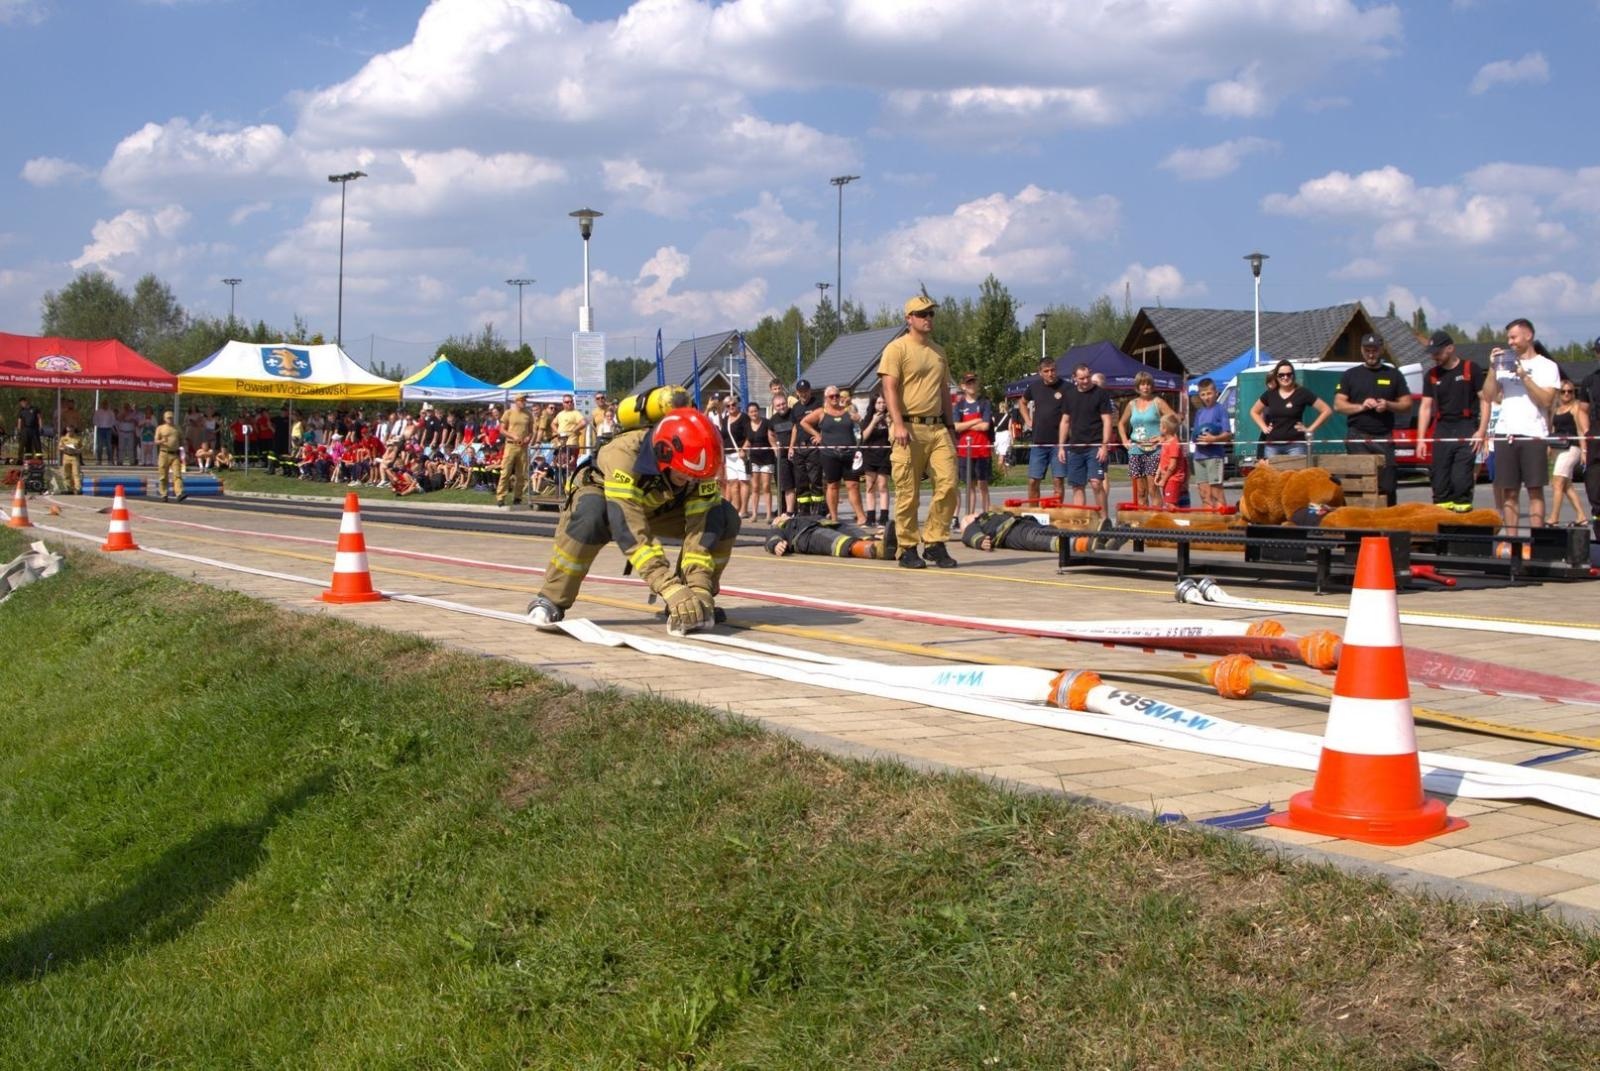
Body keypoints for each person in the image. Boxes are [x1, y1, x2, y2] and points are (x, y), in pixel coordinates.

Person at [526, 408, 741, 634]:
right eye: (685, 473)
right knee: (589, 517)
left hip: (659, 505)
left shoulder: (698, 469)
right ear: (664, 452)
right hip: (607, 498)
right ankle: (551, 600)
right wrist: (668, 587)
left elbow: (702, 529)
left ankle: (688, 606)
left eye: (697, 476)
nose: (691, 480)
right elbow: (628, 526)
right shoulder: (624, 455)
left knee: (723, 516)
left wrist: (699, 589)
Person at [878, 294, 958, 569]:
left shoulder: (939, 351)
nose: (928, 318)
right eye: (922, 314)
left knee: (948, 485)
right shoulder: (896, 349)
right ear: (909, 319)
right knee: (907, 492)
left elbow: (944, 390)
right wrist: (897, 423)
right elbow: (888, 388)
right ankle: (907, 546)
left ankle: (935, 542)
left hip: (937, 427)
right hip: (908, 428)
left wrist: (951, 425)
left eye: (931, 314)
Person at [1482, 317, 1560, 547]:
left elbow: (1546, 400)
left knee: (1535, 490)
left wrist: (1524, 376)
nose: (1510, 342)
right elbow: (1488, 395)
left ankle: (1537, 543)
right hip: (1506, 433)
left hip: (1533, 434)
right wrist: (1492, 368)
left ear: (1528, 336)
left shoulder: (1547, 366)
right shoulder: (1503, 365)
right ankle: (1511, 541)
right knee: (1509, 492)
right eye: (1508, 338)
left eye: (1514, 337)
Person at [1334, 335, 1411, 506]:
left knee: (1388, 486)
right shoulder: (1350, 375)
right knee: (1358, 485)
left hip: (1384, 437)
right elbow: (1338, 405)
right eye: (1367, 351)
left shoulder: (1393, 374)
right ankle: (1358, 525)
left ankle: (1389, 523)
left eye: (1374, 351)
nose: (1371, 354)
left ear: (1381, 350)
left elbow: (1407, 404)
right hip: (1357, 438)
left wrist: (1388, 404)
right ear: (1362, 350)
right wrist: (1362, 407)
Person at [1415, 330, 1487, 512]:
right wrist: (1421, 439)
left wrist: (1481, 432)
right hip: (1442, 429)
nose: (1434, 357)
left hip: (1466, 427)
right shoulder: (1431, 375)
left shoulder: (1472, 369)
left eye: (1437, 352)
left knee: (1461, 480)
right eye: (1432, 353)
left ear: (1450, 348)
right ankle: (1441, 523)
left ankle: (1462, 521)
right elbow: (1425, 407)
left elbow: (1485, 400)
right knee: (1439, 480)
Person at [800, 385, 865, 523]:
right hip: (830, 454)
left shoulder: (848, 411)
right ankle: (834, 517)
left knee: (853, 485)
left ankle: (861, 516)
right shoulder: (821, 412)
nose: (835, 398)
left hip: (849, 453)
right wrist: (817, 435)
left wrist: (858, 419)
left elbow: (860, 424)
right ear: (826, 398)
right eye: (831, 396)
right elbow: (804, 422)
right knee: (833, 485)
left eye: (837, 395)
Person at [1059, 363, 1115, 515]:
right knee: (1077, 486)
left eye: (1087, 377)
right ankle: (1080, 520)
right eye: (1082, 378)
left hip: (1095, 445)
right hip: (1075, 447)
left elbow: (1107, 421)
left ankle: (1104, 520)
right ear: (1074, 378)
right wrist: (1061, 446)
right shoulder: (1069, 395)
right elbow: (1065, 421)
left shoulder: (1101, 394)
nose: (1085, 381)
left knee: (1096, 483)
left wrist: (1104, 445)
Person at [1250, 360, 1331, 459]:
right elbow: (1254, 411)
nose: (1285, 377)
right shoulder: (1270, 394)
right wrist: (1264, 427)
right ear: (1276, 376)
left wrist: (1310, 429)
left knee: (1295, 474)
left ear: (1293, 375)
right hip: (1272, 445)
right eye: (1281, 375)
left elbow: (1326, 410)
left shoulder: (1302, 393)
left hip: (1296, 445)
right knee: (1272, 474)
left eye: (1289, 374)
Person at [1117, 371, 1176, 507]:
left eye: (1148, 384)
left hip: (1153, 451)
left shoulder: (1158, 402)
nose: (1146, 387)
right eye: (1142, 384)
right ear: (1138, 386)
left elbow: (1174, 418)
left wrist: (1163, 437)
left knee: (1152, 489)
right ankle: (1143, 520)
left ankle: (1156, 521)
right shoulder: (1132, 404)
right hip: (1136, 450)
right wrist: (1125, 440)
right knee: (1140, 492)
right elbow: (1121, 423)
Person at [1023, 357, 1069, 503]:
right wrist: (1028, 420)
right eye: (1046, 371)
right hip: (1039, 442)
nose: (1050, 374)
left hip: (1059, 444)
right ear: (1040, 372)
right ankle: (1033, 515)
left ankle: (1057, 515)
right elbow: (1022, 402)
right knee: (1032, 481)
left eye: (1053, 370)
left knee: (1058, 481)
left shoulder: (1067, 387)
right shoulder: (1034, 387)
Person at [763, 513, 896, 560]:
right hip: (805, 535)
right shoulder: (779, 528)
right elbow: (771, 538)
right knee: (838, 542)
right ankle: (877, 550)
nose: (780, 516)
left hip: (824, 524)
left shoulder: (799, 517)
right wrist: (776, 545)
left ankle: (881, 541)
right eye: (777, 518)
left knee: (855, 532)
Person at [1548, 379, 1590, 527]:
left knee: (1557, 481)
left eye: (1570, 391)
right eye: (1563, 391)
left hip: (1573, 447)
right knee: (1566, 485)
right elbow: (1553, 431)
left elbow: (1581, 430)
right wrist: (1549, 448)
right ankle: (1581, 516)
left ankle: (1554, 517)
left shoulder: (1576, 407)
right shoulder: (1556, 410)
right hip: (1557, 447)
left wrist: (1584, 450)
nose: (1567, 394)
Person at [953, 371, 995, 514]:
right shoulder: (959, 405)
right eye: (968, 383)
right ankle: (969, 516)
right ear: (963, 386)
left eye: (973, 382)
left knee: (983, 485)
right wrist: (976, 421)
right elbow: (956, 427)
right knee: (969, 485)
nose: (971, 385)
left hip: (982, 449)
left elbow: (985, 426)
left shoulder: (985, 402)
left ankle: (986, 515)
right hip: (965, 450)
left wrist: (967, 425)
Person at [1190, 378, 1232, 509]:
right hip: (1199, 456)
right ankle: (1209, 524)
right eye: (1203, 394)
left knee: (1216, 492)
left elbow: (1228, 435)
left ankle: (1222, 523)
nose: (1206, 397)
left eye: (1209, 393)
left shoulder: (1220, 410)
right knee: (1204, 493)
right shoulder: (1199, 412)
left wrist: (1213, 439)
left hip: (1214, 456)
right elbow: (1195, 435)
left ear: (1216, 393)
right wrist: (1196, 439)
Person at [787, 379, 825, 515]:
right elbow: (795, 428)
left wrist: (820, 436)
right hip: (799, 448)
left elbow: (824, 422)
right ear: (797, 392)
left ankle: (818, 510)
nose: (804, 394)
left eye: (806, 391)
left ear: (810, 390)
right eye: (801, 392)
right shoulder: (796, 407)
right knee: (801, 481)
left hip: (813, 448)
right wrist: (791, 447)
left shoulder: (818, 404)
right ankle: (804, 511)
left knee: (815, 480)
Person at [737, 401, 777, 521]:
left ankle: (769, 514)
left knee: (766, 487)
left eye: (755, 411)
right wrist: (743, 449)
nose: (753, 413)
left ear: (759, 411)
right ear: (748, 413)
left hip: (767, 458)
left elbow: (772, 438)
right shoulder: (748, 425)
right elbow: (749, 441)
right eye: (751, 412)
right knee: (754, 487)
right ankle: (754, 514)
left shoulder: (766, 423)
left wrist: (776, 450)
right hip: (754, 459)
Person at [858, 393, 892, 527]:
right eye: (878, 403)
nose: (881, 405)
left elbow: (893, 436)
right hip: (870, 455)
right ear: (873, 404)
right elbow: (864, 436)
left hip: (884, 454)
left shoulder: (890, 417)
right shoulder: (868, 418)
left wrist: (889, 424)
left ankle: (884, 517)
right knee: (870, 486)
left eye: (883, 403)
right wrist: (873, 421)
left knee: (883, 486)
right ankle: (870, 517)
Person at [958, 511, 1064, 554]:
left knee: (1048, 532)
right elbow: (969, 534)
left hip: (1021, 522)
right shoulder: (975, 524)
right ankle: (1069, 545)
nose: (973, 513)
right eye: (969, 516)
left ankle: (1072, 539)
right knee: (1036, 538)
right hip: (1009, 533)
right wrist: (980, 541)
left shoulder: (989, 515)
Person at [496, 394, 534, 507]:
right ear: (516, 401)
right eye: (522, 400)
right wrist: (512, 436)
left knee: (521, 473)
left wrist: (529, 437)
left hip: (523, 446)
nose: (524, 402)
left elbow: (531, 431)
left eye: (525, 400)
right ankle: (500, 497)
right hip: (511, 445)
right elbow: (502, 429)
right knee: (505, 471)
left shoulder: (528, 414)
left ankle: (518, 497)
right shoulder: (509, 412)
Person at [768, 393, 798, 516]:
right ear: (774, 407)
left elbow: (796, 429)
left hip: (797, 454)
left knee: (801, 484)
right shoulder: (773, 420)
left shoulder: (794, 414)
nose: (782, 407)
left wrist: (792, 446)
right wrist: (775, 448)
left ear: (787, 403)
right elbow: (770, 434)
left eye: (783, 404)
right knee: (787, 485)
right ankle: (789, 512)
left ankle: (802, 510)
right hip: (783, 458)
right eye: (778, 405)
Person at [1154, 413, 1187, 509]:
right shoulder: (1165, 442)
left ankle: (1177, 521)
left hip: (1174, 479)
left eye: (1160, 425)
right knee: (1168, 502)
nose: (1159, 427)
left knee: (1170, 504)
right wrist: (1158, 473)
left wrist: (1164, 480)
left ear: (1165, 428)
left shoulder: (1173, 443)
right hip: (1167, 478)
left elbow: (1172, 465)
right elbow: (1163, 460)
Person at [154, 410, 186, 502]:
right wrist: (161, 441)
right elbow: (155, 441)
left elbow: (182, 440)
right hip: (164, 453)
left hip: (175, 454)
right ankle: (164, 494)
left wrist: (183, 451)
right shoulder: (160, 428)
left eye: (171, 418)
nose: (170, 419)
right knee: (163, 475)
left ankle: (179, 493)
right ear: (164, 419)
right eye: (168, 418)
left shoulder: (177, 428)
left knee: (177, 475)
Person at [57, 426, 83, 494]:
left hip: (74, 457)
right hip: (66, 457)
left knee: (76, 473)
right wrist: (64, 449)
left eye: (71, 431)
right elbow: (60, 447)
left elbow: (82, 447)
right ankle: (68, 488)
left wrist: (78, 451)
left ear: (73, 430)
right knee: (66, 474)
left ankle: (78, 488)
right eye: (68, 431)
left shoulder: (78, 438)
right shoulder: (63, 438)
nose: (70, 432)